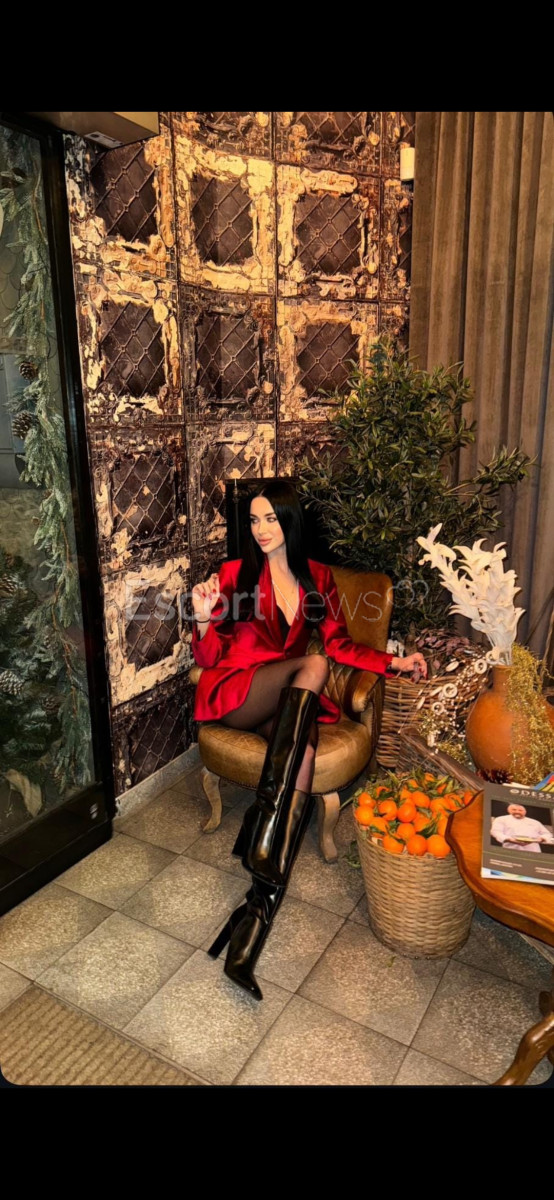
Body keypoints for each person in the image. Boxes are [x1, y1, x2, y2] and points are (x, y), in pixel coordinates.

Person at [191, 479, 427, 1000]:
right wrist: (204, 622)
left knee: (305, 751)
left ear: (290, 522)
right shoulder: (234, 575)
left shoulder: (318, 578)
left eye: (271, 519)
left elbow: (341, 645)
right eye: (254, 520)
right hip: (239, 693)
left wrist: (394, 662)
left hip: (286, 701)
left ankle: (255, 917)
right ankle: (262, 843)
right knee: (313, 666)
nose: (261, 529)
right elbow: (209, 657)